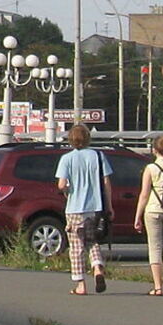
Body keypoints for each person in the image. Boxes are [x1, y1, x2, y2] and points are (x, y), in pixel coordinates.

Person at [54, 124, 112, 295]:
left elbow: (61, 184)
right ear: (88, 138)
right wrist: (109, 206)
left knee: (76, 246)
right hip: (95, 207)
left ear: (70, 140)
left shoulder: (67, 159)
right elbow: (107, 182)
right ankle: (97, 268)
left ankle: (80, 284)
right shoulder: (98, 156)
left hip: (74, 208)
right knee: (92, 240)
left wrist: (66, 191)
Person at [134, 134, 163, 296]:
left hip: (154, 210)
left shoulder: (151, 169)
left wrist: (137, 217)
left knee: (155, 247)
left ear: (154, 150)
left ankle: (157, 286)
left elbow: (144, 195)